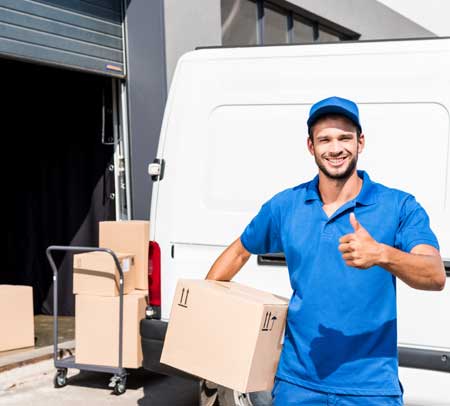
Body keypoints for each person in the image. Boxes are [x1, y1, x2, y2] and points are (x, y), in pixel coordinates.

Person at [205, 96, 446, 405]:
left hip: (371, 388)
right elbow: (240, 250)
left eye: (345, 137)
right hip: (298, 384)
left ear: (361, 142)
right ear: (311, 146)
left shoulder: (399, 206)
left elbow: (435, 274)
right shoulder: (287, 205)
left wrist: (382, 254)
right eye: (325, 139)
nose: (335, 149)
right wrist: (207, 312)